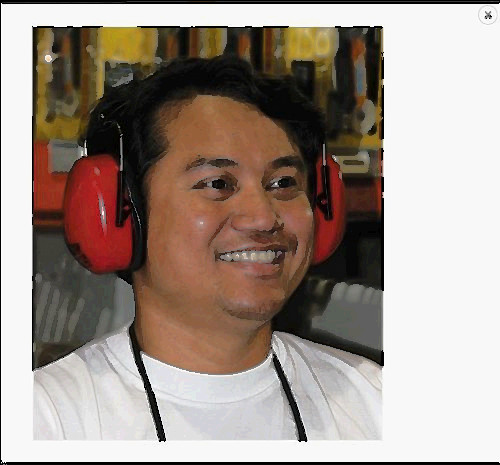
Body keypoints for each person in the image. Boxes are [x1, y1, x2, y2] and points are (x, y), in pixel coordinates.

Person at [33, 56, 382, 440]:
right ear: (126, 212)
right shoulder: (46, 419)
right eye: (218, 184)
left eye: (283, 183)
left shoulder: (376, 403)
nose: (263, 218)